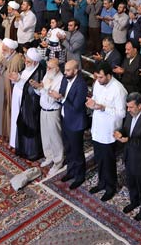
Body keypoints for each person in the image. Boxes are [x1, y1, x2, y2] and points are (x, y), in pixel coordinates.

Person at [87, 61, 127, 201]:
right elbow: (95, 98)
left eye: (101, 77)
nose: (98, 80)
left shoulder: (118, 89)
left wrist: (103, 107)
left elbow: (122, 113)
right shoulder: (98, 84)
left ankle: (111, 187)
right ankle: (101, 183)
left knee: (109, 161)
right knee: (99, 159)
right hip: (97, 128)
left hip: (109, 131)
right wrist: (92, 103)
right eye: (97, 77)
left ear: (109, 75)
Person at [114, 91, 141, 221]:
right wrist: (120, 132)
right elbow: (126, 129)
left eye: (131, 107)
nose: (128, 109)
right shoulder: (130, 114)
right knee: (131, 182)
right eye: (127, 107)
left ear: (140, 106)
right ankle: (134, 201)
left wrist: (128, 140)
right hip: (129, 156)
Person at [55, 60, 88, 190]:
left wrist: (61, 98)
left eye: (68, 70)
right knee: (68, 148)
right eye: (65, 70)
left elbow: (77, 107)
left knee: (77, 150)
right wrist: (58, 98)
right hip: (65, 118)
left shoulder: (81, 85)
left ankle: (80, 176)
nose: (65, 72)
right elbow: (62, 95)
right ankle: (71, 171)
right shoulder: (64, 79)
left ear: (75, 71)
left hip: (76, 122)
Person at [30, 55, 64, 173]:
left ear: (57, 68)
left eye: (50, 68)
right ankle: (49, 156)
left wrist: (42, 88)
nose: (47, 70)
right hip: (43, 109)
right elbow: (41, 93)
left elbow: (53, 98)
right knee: (45, 135)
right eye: (47, 67)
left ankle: (58, 161)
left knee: (55, 137)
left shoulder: (60, 80)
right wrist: (37, 87)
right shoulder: (47, 75)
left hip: (53, 111)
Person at [10, 47, 44, 161]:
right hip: (21, 102)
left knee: (29, 127)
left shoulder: (39, 72)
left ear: (35, 62)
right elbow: (23, 78)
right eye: (26, 60)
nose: (26, 63)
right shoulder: (27, 68)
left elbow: (32, 90)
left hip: (30, 106)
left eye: (28, 61)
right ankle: (21, 148)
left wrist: (19, 80)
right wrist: (16, 78)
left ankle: (31, 152)